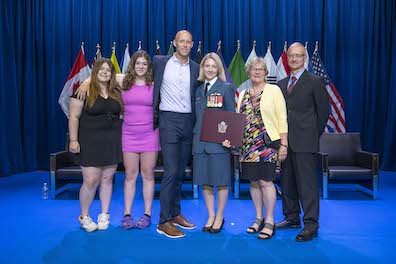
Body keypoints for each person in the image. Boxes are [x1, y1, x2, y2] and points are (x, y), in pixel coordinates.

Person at [76, 51, 160, 230]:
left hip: (150, 135)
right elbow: (102, 75)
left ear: (149, 67)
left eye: (145, 64)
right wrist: (85, 82)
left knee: (148, 175)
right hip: (128, 134)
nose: (141, 67)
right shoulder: (123, 82)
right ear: (133, 65)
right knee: (130, 176)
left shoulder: (154, 84)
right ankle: (127, 214)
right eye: (138, 63)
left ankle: (147, 214)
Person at [225, 57, 288, 239]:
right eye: (254, 69)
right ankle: (258, 218)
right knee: (253, 182)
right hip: (248, 146)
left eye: (261, 69)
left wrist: (284, 144)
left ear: (266, 72)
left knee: (266, 182)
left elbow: (282, 118)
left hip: (267, 144)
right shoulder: (243, 94)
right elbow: (237, 121)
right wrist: (231, 139)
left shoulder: (274, 91)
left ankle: (269, 221)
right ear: (248, 72)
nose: (257, 72)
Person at [275, 42, 329, 242]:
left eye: (298, 55)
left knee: (307, 186)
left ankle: (311, 224)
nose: (295, 59)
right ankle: (291, 217)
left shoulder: (315, 81)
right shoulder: (281, 84)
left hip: (306, 143)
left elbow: (324, 113)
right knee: (287, 183)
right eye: (291, 56)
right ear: (287, 58)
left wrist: (312, 136)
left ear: (304, 57)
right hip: (285, 143)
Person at [153, 30, 201, 238]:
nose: (184, 45)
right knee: (171, 171)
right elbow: (132, 75)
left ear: (192, 45)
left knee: (181, 172)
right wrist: (87, 80)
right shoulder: (159, 62)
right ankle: (163, 221)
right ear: (174, 43)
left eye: (188, 42)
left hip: (188, 121)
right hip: (168, 120)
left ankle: (175, 213)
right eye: (181, 41)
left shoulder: (196, 68)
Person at [69, 58, 123, 232]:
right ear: (95, 71)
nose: (105, 72)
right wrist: (73, 140)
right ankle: (84, 216)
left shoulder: (115, 90)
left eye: (109, 70)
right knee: (91, 180)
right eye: (102, 69)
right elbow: (73, 116)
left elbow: (129, 76)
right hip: (89, 141)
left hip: (112, 141)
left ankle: (104, 214)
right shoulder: (83, 91)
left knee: (107, 180)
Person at [193, 53, 235, 234]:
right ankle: (210, 215)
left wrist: (230, 140)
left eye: (213, 66)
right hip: (200, 142)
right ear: (202, 68)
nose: (209, 69)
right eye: (206, 66)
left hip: (218, 143)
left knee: (221, 181)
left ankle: (219, 216)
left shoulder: (226, 88)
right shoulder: (198, 90)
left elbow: (231, 117)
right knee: (205, 181)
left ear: (218, 69)